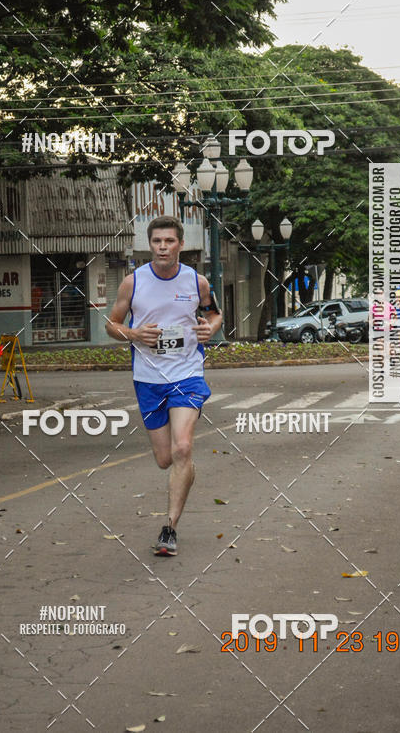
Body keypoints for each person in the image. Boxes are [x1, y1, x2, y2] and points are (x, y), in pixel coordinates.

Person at [105, 216, 222, 556]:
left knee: (182, 447)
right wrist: (134, 334)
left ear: (180, 245)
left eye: (169, 241)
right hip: (148, 378)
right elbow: (112, 324)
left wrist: (210, 328)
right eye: (157, 241)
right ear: (150, 245)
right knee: (164, 458)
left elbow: (214, 313)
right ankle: (184, 470)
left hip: (187, 374)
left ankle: (169, 528)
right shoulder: (133, 282)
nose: (162, 247)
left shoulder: (196, 281)